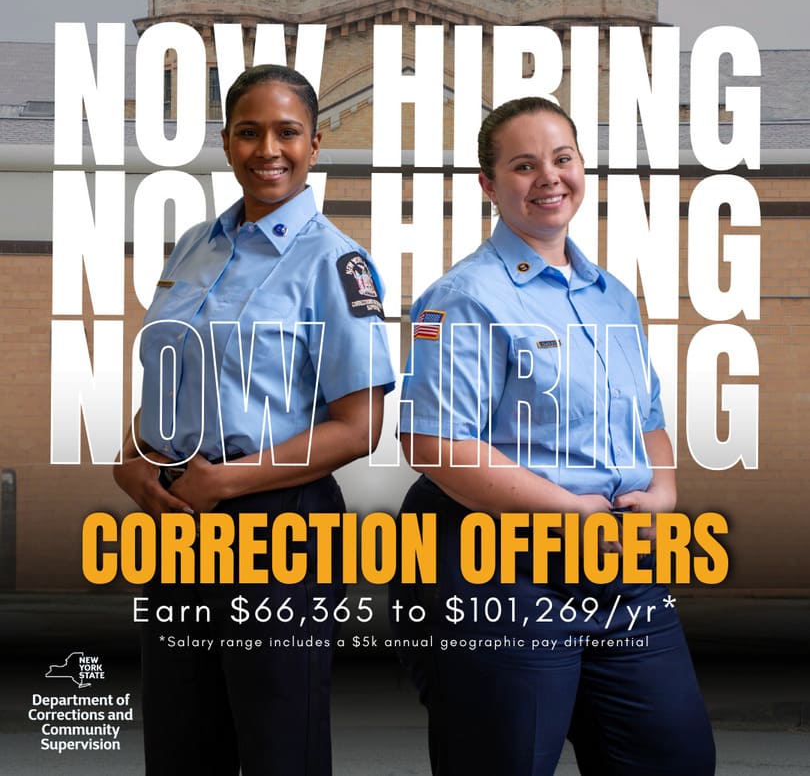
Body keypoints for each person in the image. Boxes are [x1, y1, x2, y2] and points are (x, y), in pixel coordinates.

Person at [392, 96, 715, 775]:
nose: (549, 178)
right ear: (488, 185)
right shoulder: (462, 298)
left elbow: (646, 418)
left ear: (581, 168)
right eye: (523, 165)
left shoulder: (612, 297)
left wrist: (664, 489)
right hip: (494, 566)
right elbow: (434, 445)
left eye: (561, 159)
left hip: (615, 563)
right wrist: (570, 513)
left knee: (673, 758)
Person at [113, 64, 396, 776]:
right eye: (248, 132)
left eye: (286, 132)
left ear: (315, 143)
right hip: (178, 519)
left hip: (280, 526)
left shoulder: (336, 264)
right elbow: (173, 380)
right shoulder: (193, 249)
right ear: (227, 141)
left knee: (279, 750)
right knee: (180, 744)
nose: (267, 148)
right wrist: (134, 455)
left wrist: (228, 485)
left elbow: (360, 427)